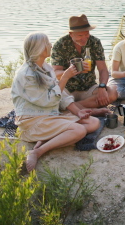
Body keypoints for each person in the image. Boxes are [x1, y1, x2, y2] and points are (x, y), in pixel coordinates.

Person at [12, 32, 101, 172]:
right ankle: (38, 151)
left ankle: (48, 137)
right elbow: (48, 101)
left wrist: (78, 111)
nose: (51, 45)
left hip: (50, 114)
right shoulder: (26, 75)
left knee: (93, 122)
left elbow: (61, 95)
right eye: (48, 43)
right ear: (40, 49)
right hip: (33, 120)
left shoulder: (45, 68)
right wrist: (65, 77)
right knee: (80, 130)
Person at [51, 14, 117, 111]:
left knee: (112, 94)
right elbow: (55, 73)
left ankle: (71, 107)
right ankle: (81, 107)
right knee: (54, 97)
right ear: (71, 34)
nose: (84, 38)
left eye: (86, 34)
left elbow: (102, 69)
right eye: (80, 35)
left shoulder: (95, 42)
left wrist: (102, 87)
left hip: (89, 88)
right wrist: (72, 71)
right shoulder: (60, 45)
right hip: (67, 89)